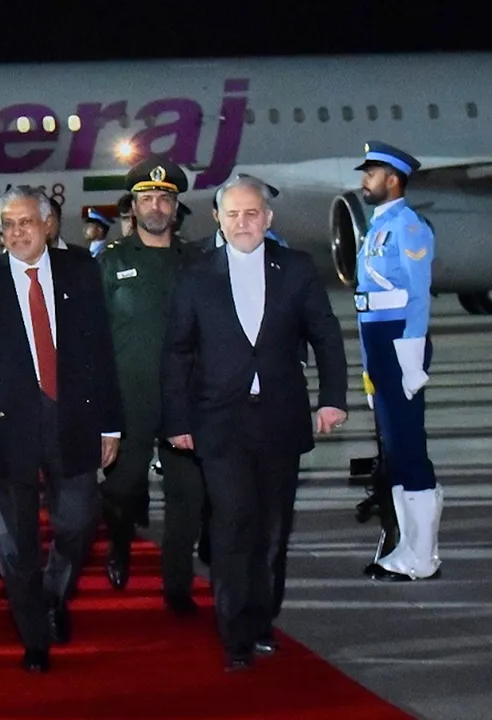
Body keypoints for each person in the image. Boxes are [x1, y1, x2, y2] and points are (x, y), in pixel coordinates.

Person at [162, 173, 348, 671]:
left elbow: (326, 336)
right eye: (233, 214)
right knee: (231, 526)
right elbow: (178, 352)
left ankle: (264, 618)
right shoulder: (196, 275)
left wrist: (333, 399)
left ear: (267, 219)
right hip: (219, 422)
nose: (243, 222)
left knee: (272, 529)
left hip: (280, 420)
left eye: (252, 213)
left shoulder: (297, 269)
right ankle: (235, 632)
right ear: (218, 221)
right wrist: (177, 418)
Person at [0, 186, 123, 672]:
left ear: (48, 224)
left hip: (74, 420)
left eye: (26, 222)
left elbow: (100, 353)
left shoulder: (81, 272)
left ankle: (53, 592)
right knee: (14, 542)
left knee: (78, 521)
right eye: (8, 225)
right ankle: (33, 634)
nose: (17, 232)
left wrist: (111, 422)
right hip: (8, 431)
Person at [95, 157, 205, 615]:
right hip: (129, 400)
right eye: (147, 199)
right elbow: (93, 339)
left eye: (164, 198)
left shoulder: (200, 261)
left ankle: (177, 588)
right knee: (121, 491)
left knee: (187, 498)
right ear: (133, 207)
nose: (156, 206)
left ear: (176, 206)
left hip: (186, 401)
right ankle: (119, 542)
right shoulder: (111, 262)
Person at [353, 141, 441, 582]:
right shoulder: (376, 227)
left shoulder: (408, 226)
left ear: (393, 179)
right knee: (395, 450)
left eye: (370, 173)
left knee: (408, 449)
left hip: (400, 341)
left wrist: (411, 354)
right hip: (380, 343)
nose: (364, 181)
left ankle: (422, 555)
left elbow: (417, 295)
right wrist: (370, 367)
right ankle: (408, 547)